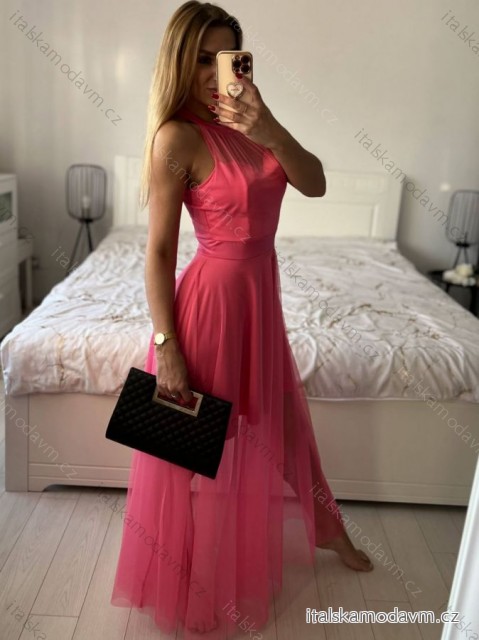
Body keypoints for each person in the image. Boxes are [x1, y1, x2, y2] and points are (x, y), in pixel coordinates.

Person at [110, 1, 374, 637]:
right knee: (192, 442)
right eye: (201, 59)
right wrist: (166, 344)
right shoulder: (176, 138)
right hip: (212, 304)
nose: (214, 73)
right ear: (180, 61)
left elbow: (314, 183)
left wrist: (270, 126)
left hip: (260, 298)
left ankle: (328, 528)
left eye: (225, 57)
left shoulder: (254, 124)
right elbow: (159, 251)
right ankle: (184, 572)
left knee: (283, 422)